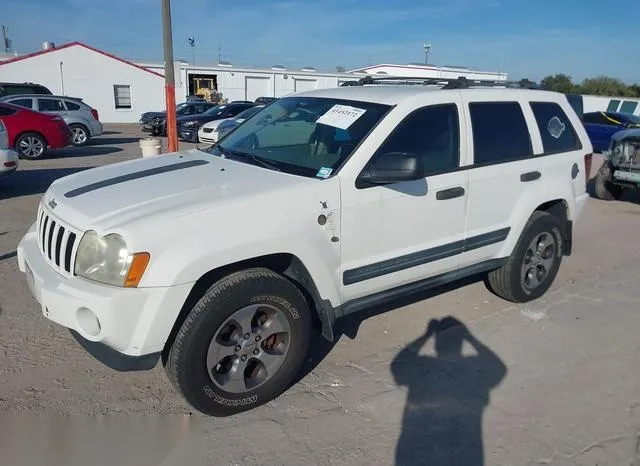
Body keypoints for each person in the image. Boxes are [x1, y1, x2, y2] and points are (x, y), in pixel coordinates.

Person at [391, 317, 507, 466]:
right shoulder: (472, 367)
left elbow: (398, 366)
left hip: (420, 446)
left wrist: (426, 335)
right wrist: (471, 338)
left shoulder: (424, 365)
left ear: (437, 344)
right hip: (464, 449)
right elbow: (499, 368)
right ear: (460, 343)